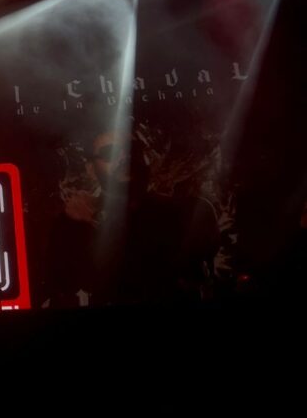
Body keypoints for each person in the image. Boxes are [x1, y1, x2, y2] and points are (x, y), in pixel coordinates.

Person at [45, 128, 221, 306]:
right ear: (91, 169)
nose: (125, 157)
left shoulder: (190, 212)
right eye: (109, 153)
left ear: (147, 158)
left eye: (132, 149)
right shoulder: (71, 223)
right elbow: (65, 285)